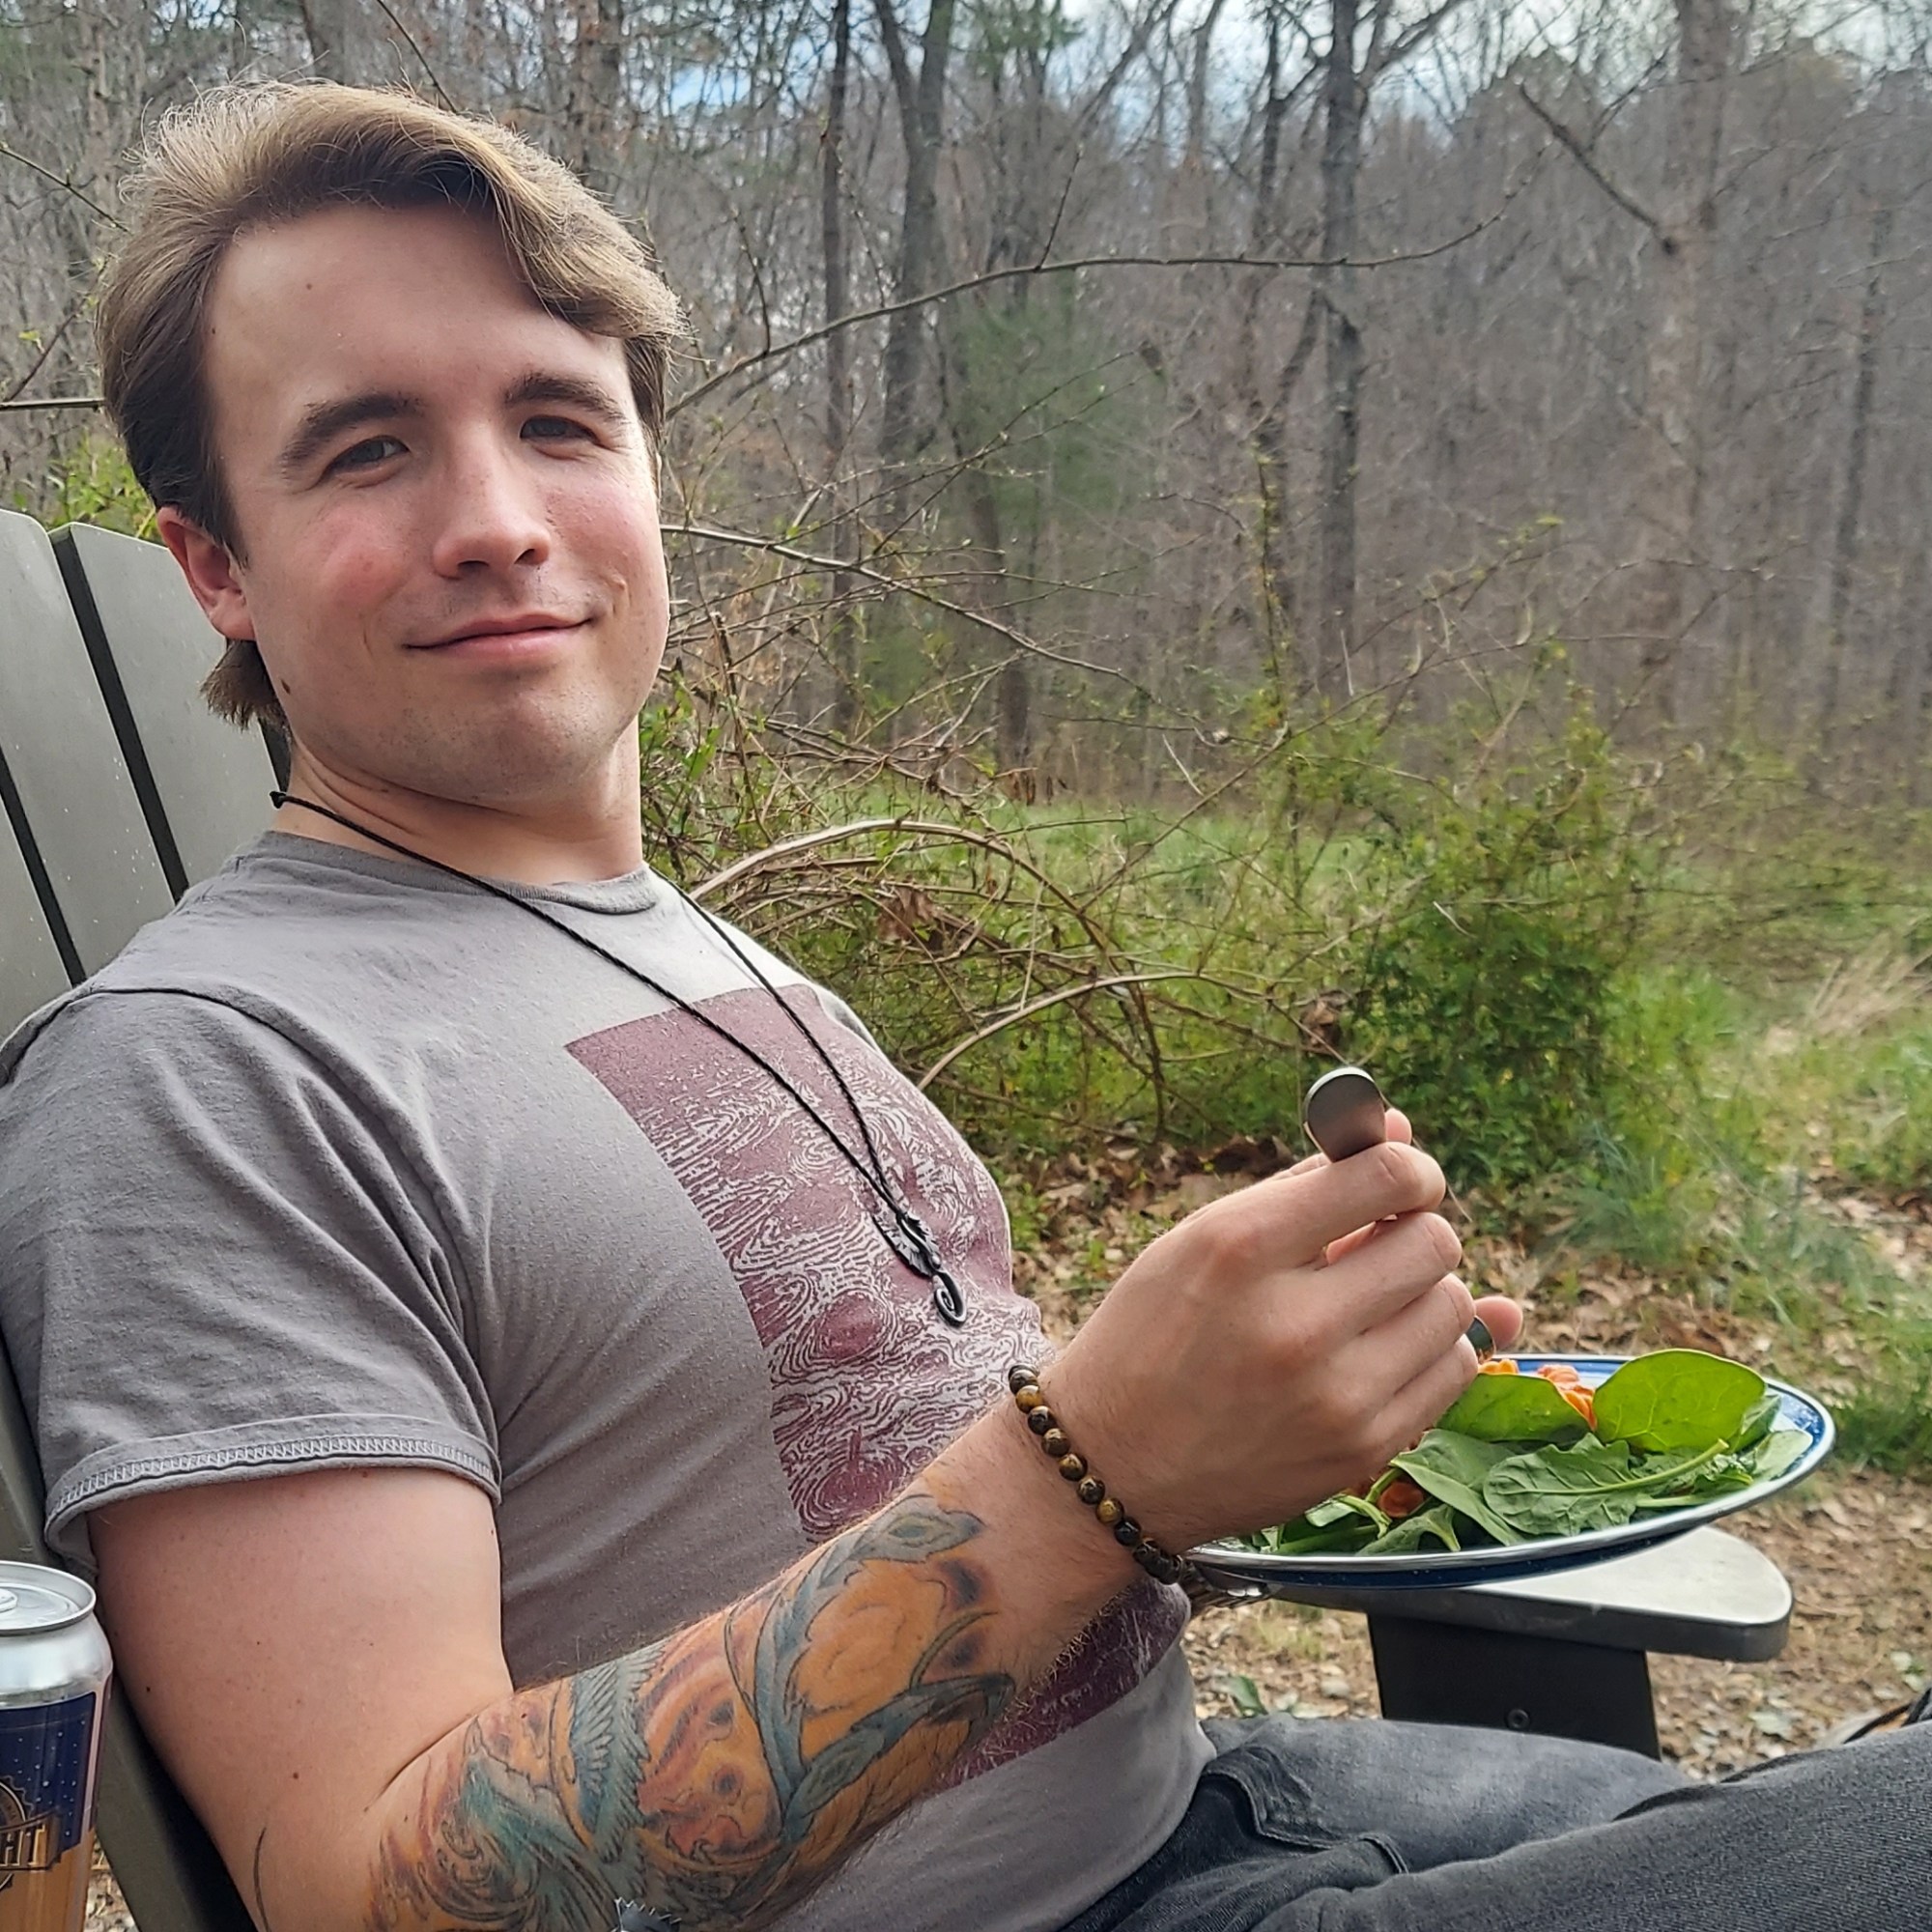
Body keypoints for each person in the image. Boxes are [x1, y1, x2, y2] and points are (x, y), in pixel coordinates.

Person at [0, 80, 1921, 1932]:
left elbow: (888, 1454)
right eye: (367, 447)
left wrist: (1271, 1399)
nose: (498, 516)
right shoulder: (206, 1080)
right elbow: (365, 1889)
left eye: (560, 422)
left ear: (650, 481)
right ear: (214, 567)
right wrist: (1100, 1466)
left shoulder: (685, 944)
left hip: (1225, 1799)